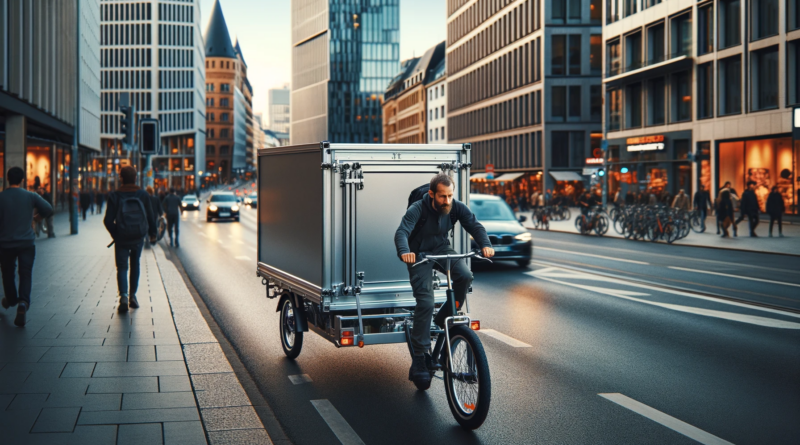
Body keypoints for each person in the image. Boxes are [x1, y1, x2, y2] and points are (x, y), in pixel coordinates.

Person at [394, 174, 494, 387]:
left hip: (441, 248)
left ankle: (444, 318)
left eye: (450, 196)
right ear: (432, 195)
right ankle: (419, 359)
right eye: (442, 197)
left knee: (465, 276)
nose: (447, 201)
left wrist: (485, 244)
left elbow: (475, 226)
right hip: (418, 255)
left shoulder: (456, 207)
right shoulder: (418, 209)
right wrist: (405, 252)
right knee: (426, 303)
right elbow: (402, 232)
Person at [0, 167, 54, 327]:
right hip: (26, 243)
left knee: (7, 274)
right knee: (25, 273)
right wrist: (35, 219)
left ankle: (10, 299)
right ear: (22, 180)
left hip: (5, 243)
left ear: (7, 179)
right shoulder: (30, 196)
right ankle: (23, 302)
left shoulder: (1, 197)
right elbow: (48, 209)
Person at [104, 167, 157, 312]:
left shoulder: (115, 195)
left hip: (121, 238)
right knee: (135, 264)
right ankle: (133, 295)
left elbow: (107, 220)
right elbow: (150, 216)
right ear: (135, 178)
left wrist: (117, 234)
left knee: (122, 267)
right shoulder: (143, 195)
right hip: (138, 237)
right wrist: (153, 233)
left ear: (121, 178)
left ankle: (123, 296)